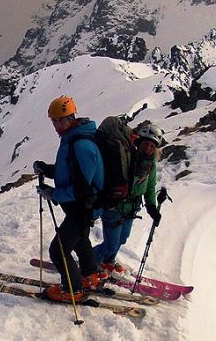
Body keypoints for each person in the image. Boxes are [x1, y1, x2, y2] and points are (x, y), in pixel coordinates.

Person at [33, 95, 105, 302]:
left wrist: (53, 194)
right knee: (80, 239)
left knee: (59, 251)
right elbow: (71, 171)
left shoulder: (81, 145)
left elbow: (82, 188)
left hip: (83, 207)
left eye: (60, 120)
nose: (57, 125)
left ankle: (73, 290)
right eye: (54, 121)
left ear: (71, 117)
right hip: (80, 207)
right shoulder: (73, 138)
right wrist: (47, 170)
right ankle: (91, 275)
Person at [93, 121, 163, 273]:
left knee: (122, 239)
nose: (148, 148)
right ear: (139, 142)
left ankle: (108, 262)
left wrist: (152, 207)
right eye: (146, 144)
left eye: (152, 146)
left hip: (132, 208)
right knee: (111, 244)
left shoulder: (150, 165)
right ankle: (89, 264)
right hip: (115, 205)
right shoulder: (128, 157)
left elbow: (150, 187)